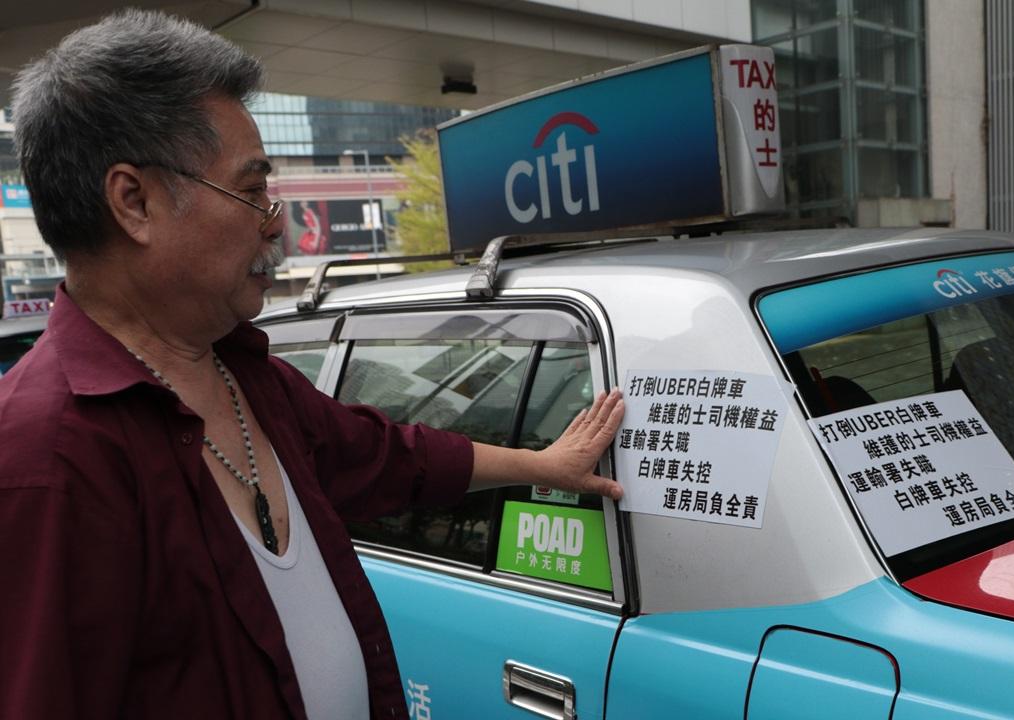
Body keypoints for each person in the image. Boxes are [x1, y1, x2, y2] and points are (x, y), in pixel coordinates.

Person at [0, 10, 624, 719]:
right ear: (133, 202)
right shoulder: (44, 460)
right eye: (251, 189)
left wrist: (545, 465)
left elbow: (390, 457)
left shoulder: (249, 378)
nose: (274, 220)